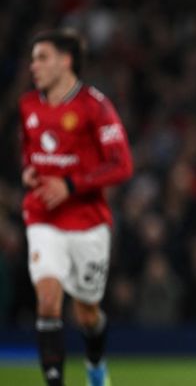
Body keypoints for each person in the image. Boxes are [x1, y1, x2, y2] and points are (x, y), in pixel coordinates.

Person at [20, 29, 133, 386]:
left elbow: (122, 164)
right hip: (43, 217)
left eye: (42, 57)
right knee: (49, 301)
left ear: (65, 61)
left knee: (87, 314)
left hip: (87, 223)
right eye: (33, 58)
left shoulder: (94, 106)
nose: (33, 65)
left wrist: (70, 185)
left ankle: (95, 365)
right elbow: (30, 149)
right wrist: (29, 171)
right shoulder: (28, 105)